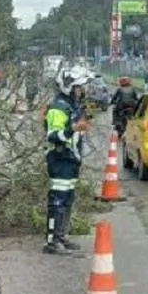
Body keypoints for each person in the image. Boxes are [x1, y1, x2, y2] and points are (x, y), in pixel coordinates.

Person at [43, 66, 92, 254]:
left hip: (70, 160)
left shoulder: (71, 106)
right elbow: (53, 136)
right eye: (79, 87)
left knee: (68, 199)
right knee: (57, 201)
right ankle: (52, 242)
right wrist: (73, 128)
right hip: (60, 159)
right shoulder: (58, 108)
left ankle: (61, 237)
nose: (82, 91)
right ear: (69, 87)